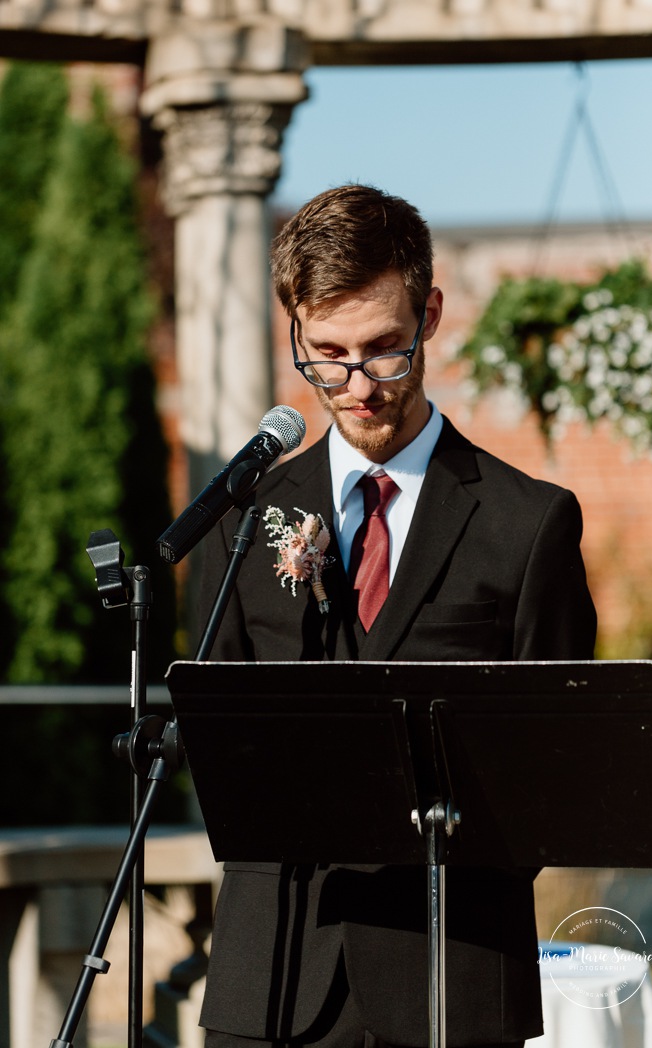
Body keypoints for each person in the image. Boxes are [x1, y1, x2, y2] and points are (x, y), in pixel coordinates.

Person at [197, 184, 597, 1048]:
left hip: (453, 976)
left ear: (430, 315)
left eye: (383, 350)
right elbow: (212, 743)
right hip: (270, 978)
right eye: (326, 355)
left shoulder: (528, 524)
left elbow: (553, 767)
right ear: (293, 332)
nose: (357, 386)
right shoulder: (245, 517)